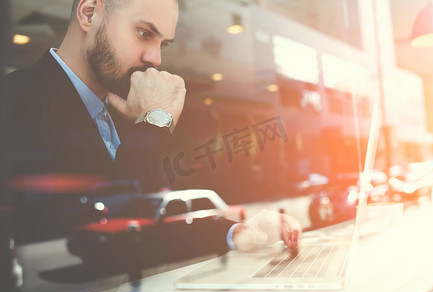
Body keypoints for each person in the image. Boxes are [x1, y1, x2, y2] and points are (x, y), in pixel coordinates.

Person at [2, 0, 300, 261]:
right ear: (89, 13)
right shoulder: (15, 102)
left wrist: (238, 233)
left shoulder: (125, 110)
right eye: (144, 33)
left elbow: (148, 229)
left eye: (163, 44)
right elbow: (104, 231)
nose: (155, 59)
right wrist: (153, 124)